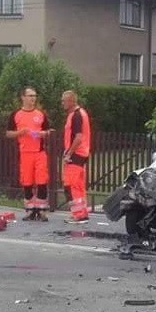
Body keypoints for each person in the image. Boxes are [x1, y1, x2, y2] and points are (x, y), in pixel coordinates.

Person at [6, 87, 51, 221]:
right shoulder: (16, 114)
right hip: (25, 153)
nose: (33, 98)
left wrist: (43, 134)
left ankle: (42, 210)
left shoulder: (41, 114)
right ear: (23, 97)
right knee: (27, 182)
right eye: (30, 96)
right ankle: (30, 210)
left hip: (39, 152)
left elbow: (49, 131)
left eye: (34, 96)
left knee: (42, 180)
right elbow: (8, 133)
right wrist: (20, 133)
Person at [61, 90, 91, 224]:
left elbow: (78, 137)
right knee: (78, 186)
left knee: (72, 185)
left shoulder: (76, 115)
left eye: (64, 101)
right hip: (82, 153)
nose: (62, 103)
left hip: (76, 154)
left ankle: (78, 215)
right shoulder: (81, 113)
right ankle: (82, 213)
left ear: (71, 101)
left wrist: (68, 153)